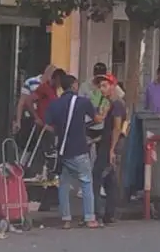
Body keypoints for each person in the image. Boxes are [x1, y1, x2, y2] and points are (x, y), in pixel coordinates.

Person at [44, 74, 99, 229]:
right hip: (79, 148)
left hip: (62, 150)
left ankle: (66, 219)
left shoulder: (54, 104)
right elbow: (96, 119)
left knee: (64, 184)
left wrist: (58, 132)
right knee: (86, 182)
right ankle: (89, 218)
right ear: (74, 85)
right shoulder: (83, 102)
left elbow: (47, 125)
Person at [92, 74, 126, 225]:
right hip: (106, 143)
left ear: (113, 86)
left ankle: (98, 212)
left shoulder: (117, 104)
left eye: (105, 85)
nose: (102, 89)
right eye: (100, 86)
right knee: (110, 179)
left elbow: (117, 128)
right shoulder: (109, 103)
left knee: (98, 176)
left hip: (110, 146)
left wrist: (112, 149)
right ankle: (110, 213)